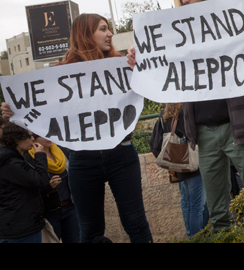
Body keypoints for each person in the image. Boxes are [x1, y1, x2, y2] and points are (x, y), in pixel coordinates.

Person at [127, 0, 244, 232]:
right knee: (218, 213)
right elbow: (166, 76)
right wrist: (142, 64)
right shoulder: (178, 33)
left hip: (239, 127)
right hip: (204, 135)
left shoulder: (236, 21)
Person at [2, 14, 153, 243]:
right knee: (90, 230)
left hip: (121, 154)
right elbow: (42, 111)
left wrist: (140, 68)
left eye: (109, 29)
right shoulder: (59, 74)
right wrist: (15, 111)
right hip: (83, 160)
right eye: (103, 29)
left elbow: (151, 87)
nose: (110, 34)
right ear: (86, 35)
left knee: (136, 223)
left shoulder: (122, 65)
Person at [149, 103, 209, 238]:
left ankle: (190, 236)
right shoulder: (185, 113)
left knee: (187, 203)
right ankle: (197, 238)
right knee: (198, 207)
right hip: (192, 165)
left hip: (178, 166)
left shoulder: (164, 114)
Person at [0, 123, 52, 243]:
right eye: (29, 136)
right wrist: (40, 155)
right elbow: (40, 181)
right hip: (21, 228)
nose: (33, 139)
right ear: (17, 140)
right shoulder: (10, 162)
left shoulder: (9, 158)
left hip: (14, 225)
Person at [24, 133, 80, 243]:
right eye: (44, 135)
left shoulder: (62, 151)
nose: (49, 137)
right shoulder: (28, 159)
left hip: (70, 207)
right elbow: (30, 188)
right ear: (34, 139)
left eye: (50, 133)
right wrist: (49, 186)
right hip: (49, 211)